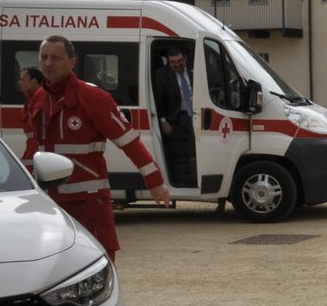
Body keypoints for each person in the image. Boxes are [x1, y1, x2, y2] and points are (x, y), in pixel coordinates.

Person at [22, 35, 171, 257]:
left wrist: (155, 182)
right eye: (44, 57)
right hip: (51, 202)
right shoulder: (37, 100)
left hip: (89, 202)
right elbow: (32, 150)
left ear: (72, 62)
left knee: (101, 258)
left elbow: (129, 142)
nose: (48, 63)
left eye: (56, 58)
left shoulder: (93, 98)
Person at [152, 47, 197, 186]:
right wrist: (163, 121)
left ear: (185, 59)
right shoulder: (161, 75)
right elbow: (159, 100)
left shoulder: (196, 69)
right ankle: (189, 173)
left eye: (180, 60)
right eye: (173, 62)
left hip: (198, 112)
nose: (177, 64)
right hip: (178, 115)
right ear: (168, 61)